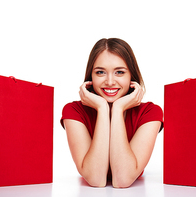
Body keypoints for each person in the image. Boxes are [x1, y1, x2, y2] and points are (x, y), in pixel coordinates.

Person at [60, 38, 163, 188]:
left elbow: (123, 179)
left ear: (131, 77)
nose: (109, 81)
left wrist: (118, 108)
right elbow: (95, 179)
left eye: (119, 72)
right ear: (91, 76)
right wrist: (102, 108)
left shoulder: (150, 113)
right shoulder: (73, 111)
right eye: (100, 72)